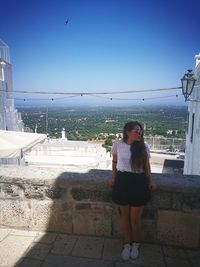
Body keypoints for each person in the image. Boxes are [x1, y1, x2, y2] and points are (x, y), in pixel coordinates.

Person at [107, 121, 156, 261]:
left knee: (135, 219)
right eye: (136, 130)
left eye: (140, 131)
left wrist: (150, 181)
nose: (139, 133)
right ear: (127, 132)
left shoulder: (144, 147)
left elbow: (146, 166)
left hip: (139, 182)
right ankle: (126, 244)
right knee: (124, 217)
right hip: (122, 181)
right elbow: (115, 163)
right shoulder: (118, 145)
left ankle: (136, 244)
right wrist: (114, 179)